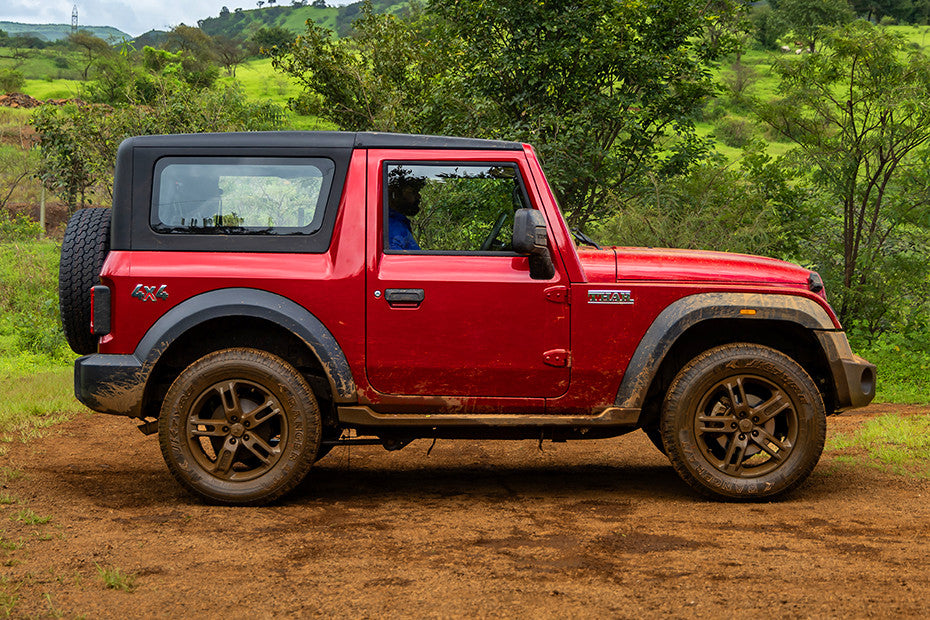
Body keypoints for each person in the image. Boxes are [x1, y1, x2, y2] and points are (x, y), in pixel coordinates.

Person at [387, 170, 424, 250]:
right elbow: (395, 260)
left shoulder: (399, 224)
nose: (419, 196)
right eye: (412, 192)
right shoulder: (391, 227)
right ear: (395, 195)